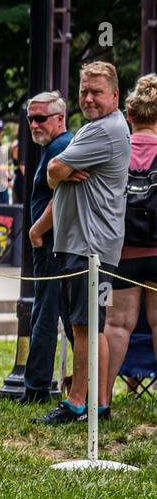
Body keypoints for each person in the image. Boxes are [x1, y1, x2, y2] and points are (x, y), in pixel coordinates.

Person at [33, 61, 131, 425]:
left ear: (115, 95)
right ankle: (100, 403)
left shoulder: (101, 131)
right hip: (92, 244)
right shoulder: (101, 127)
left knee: (84, 327)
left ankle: (77, 404)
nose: (89, 99)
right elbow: (61, 181)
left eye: (97, 92)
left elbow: (52, 172)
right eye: (84, 92)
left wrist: (59, 170)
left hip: (88, 247)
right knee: (93, 325)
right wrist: (39, 228)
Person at [103, 74, 157, 408]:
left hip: (121, 251)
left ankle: (102, 402)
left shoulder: (116, 148)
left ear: (130, 116)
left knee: (117, 325)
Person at [23, 91, 74, 404]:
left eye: (40, 118)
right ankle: (88, 387)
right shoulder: (56, 147)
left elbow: (62, 199)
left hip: (53, 246)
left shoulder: (62, 146)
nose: (33, 124)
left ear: (59, 118)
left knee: (45, 312)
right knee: (70, 318)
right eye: (30, 118)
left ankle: (36, 389)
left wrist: (35, 230)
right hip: (57, 246)